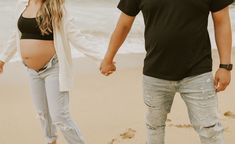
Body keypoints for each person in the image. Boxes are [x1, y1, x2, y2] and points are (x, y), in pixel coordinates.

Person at [100, 0, 233, 143]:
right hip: (155, 73)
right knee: (154, 128)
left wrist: (225, 66)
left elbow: (222, 21)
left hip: (198, 72)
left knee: (210, 130)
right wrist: (108, 58)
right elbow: (124, 24)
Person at [0, 0, 102, 144]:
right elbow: (16, 34)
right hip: (32, 71)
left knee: (60, 116)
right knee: (42, 114)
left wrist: (101, 59)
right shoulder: (23, 4)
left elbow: (76, 36)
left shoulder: (57, 7)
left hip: (53, 69)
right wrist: (3, 58)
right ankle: (50, 141)